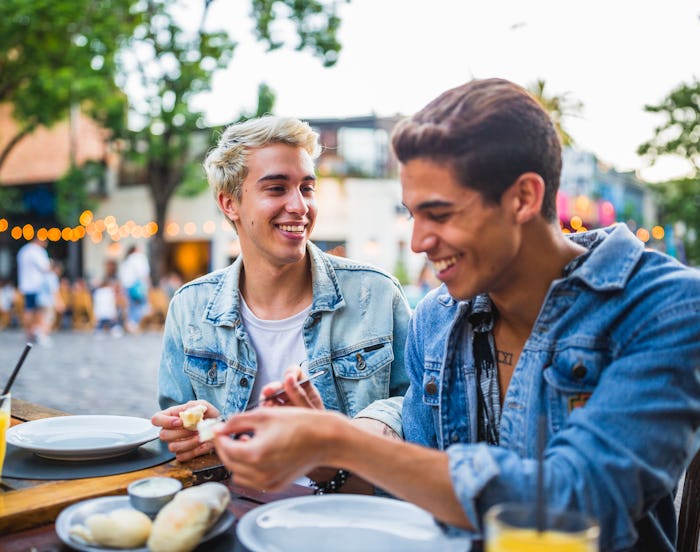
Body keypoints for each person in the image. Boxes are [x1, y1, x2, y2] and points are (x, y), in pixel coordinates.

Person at [211, 79, 700, 551]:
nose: (419, 242)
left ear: (524, 198)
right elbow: (413, 501)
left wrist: (341, 441)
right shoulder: (436, 318)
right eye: (412, 214)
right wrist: (322, 457)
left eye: (440, 214)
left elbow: (582, 502)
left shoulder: (667, 307)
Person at [152, 115, 411, 464]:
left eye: (307, 187)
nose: (300, 206)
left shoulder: (376, 294)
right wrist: (203, 433)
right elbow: (177, 431)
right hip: (235, 504)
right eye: (276, 188)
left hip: (347, 505)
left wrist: (360, 430)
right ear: (230, 203)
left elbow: (417, 405)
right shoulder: (190, 307)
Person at [16, 237, 51, 343]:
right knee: (40, 311)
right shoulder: (37, 251)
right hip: (37, 286)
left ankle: (29, 333)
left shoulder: (23, 250)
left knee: (28, 310)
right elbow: (45, 268)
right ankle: (41, 335)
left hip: (26, 286)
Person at [119, 244, 151, 334]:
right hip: (137, 287)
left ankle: (131, 324)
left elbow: (122, 276)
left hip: (128, 286)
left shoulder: (127, 260)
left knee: (131, 307)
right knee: (141, 306)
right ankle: (133, 325)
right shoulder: (139, 257)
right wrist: (148, 286)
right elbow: (144, 273)